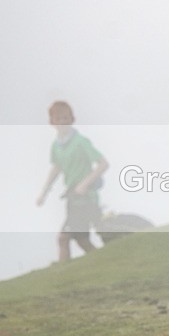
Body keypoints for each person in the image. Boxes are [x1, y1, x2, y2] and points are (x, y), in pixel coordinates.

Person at [37, 101, 109, 262]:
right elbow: (56, 168)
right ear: (51, 122)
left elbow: (103, 164)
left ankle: (62, 275)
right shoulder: (56, 146)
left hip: (86, 198)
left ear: (72, 119)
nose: (62, 122)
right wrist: (44, 193)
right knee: (82, 239)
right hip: (72, 198)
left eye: (65, 118)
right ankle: (105, 262)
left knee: (63, 238)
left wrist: (84, 184)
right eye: (58, 119)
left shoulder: (80, 141)